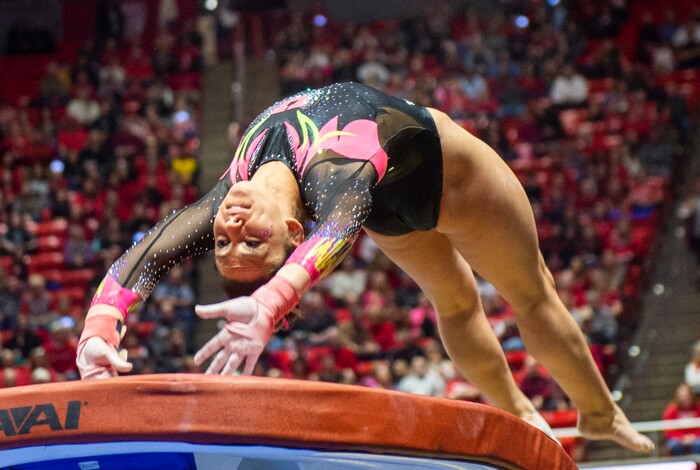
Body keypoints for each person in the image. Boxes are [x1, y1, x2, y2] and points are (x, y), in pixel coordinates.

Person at [76, 82, 653, 453]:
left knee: (531, 295)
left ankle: (598, 413)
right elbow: (343, 222)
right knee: (456, 303)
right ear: (291, 233)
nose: (229, 227)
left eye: (224, 241)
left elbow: (144, 255)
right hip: (424, 196)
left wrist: (98, 328)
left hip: (447, 180)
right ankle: (520, 415)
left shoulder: (229, 195)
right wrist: (272, 300)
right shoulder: (332, 178)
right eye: (250, 241)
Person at [662, 383, 700, 456]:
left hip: (696, 437)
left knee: (698, 444)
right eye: (682, 396)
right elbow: (668, 429)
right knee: (674, 445)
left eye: (686, 396)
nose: (684, 398)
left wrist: (694, 436)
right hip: (677, 438)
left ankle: (696, 465)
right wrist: (681, 438)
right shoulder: (672, 409)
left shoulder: (698, 407)